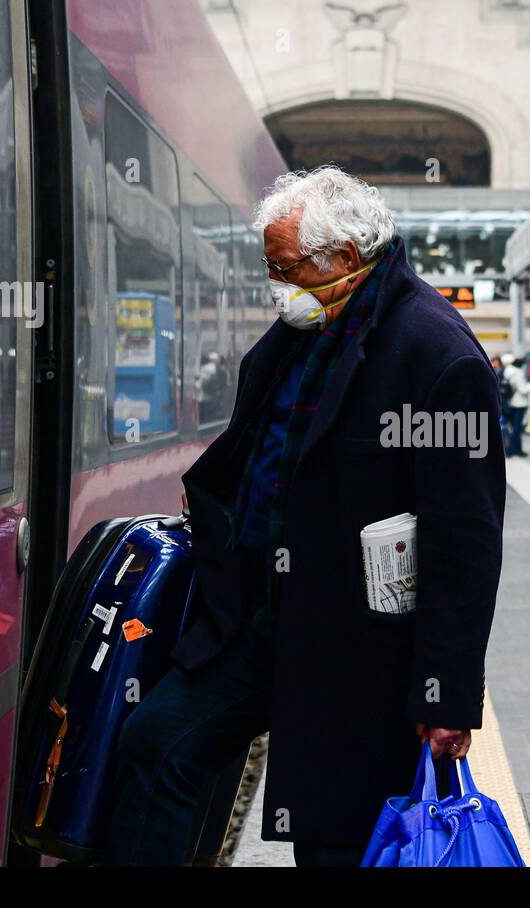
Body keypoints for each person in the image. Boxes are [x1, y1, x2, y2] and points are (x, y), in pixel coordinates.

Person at [102, 167, 506, 866]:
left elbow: (465, 538)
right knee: (156, 744)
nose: (277, 286)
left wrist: (447, 692)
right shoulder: (306, 331)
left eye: (286, 269)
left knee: (336, 839)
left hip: (357, 649)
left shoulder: (437, 355)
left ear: (345, 258)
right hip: (256, 622)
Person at [501, 353, 530, 457]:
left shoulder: (507, 372)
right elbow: (523, 390)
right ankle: (512, 450)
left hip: (511, 403)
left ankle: (516, 449)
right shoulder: (517, 373)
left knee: (515, 428)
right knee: (517, 428)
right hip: (519, 404)